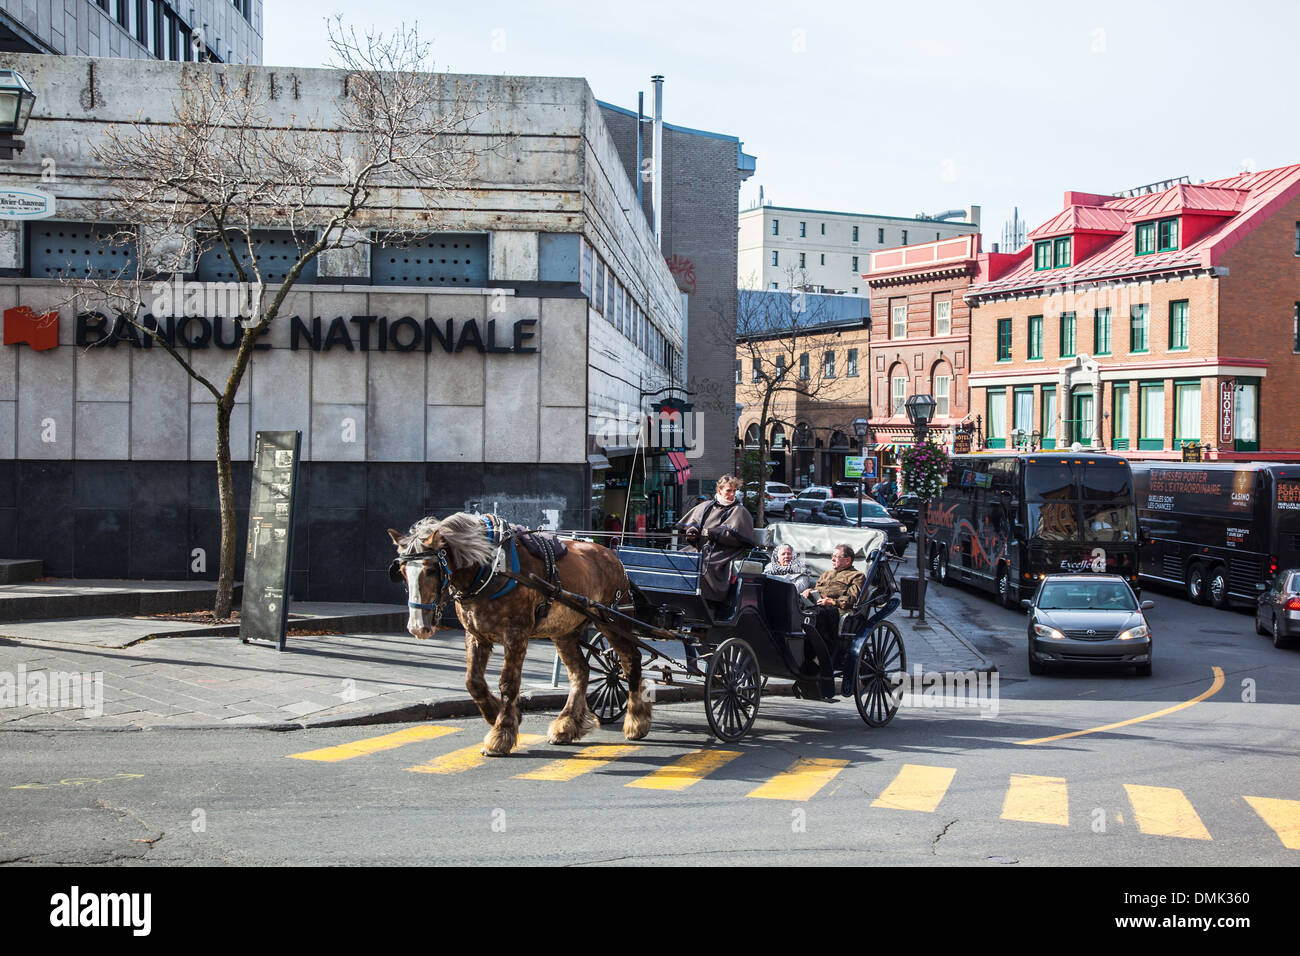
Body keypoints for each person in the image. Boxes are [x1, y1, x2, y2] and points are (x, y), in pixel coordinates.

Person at [798, 543, 867, 698]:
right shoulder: (826, 574)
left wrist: (831, 601)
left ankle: (823, 650)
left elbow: (853, 599)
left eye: (837, 557)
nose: (833, 559)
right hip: (817, 606)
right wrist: (810, 591)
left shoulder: (857, 576)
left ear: (848, 560)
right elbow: (818, 590)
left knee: (820, 614)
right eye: (833, 557)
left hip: (837, 611)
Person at [676, 475, 755, 605]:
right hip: (702, 547)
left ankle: (708, 601)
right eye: (728, 491)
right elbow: (693, 523)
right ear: (719, 491)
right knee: (681, 557)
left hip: (726, 551)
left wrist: (711, 533)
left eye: (734, 491)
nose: (732, 494)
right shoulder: (706, 506)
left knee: (704, 563)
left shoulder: (739, 510)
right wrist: (692, 533)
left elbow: (735, 536)